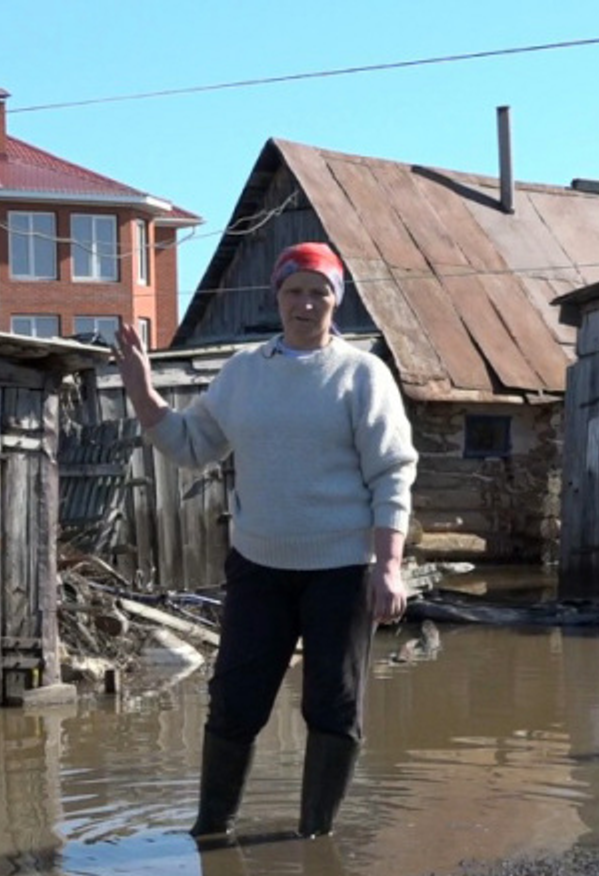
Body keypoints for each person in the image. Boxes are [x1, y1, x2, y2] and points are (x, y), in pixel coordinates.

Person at [113, 241, 417, 841]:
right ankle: (210, 831)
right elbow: (190, 446)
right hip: (259, 568)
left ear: (336, 300)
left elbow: (392, 472)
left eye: (318, 292)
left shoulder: (362, 375)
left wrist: (389, 567)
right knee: (235, 700)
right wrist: (140, 389)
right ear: (276, 297)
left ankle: (314, 839)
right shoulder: (244, 372)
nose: (305, 304)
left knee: (332, 707)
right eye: (294, 291)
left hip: (342, 570)